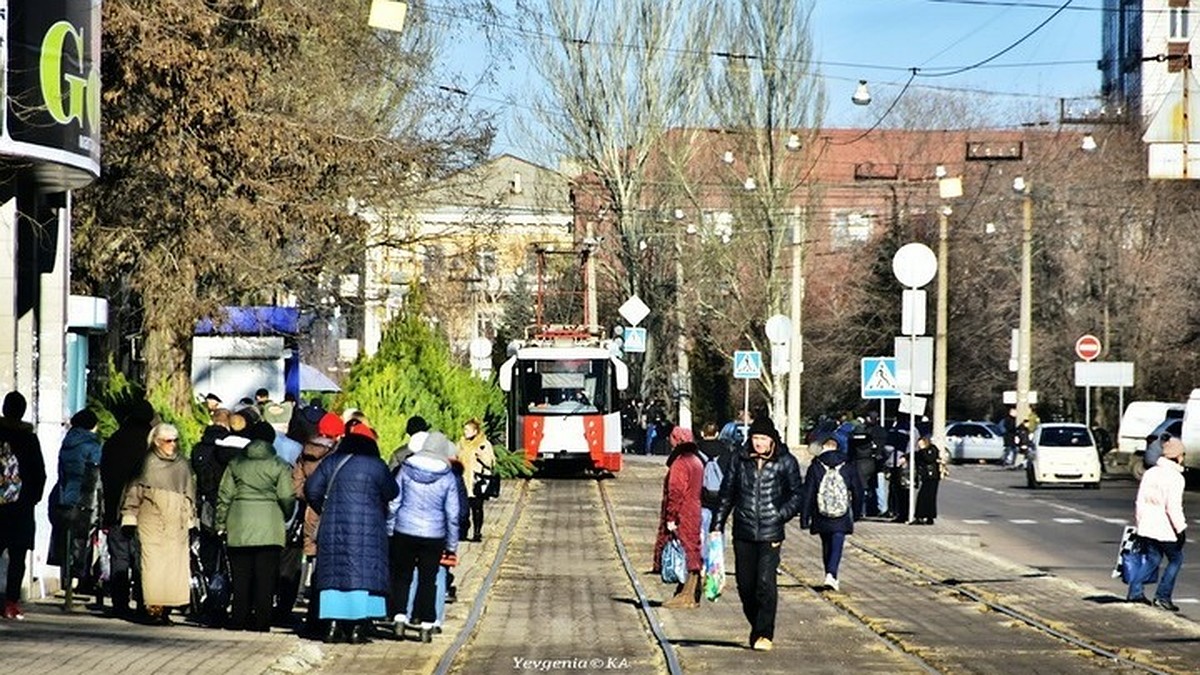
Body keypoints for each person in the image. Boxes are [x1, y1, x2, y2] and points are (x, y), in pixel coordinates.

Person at [710, 417, 803, 651]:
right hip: (743, 530)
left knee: (765, 583)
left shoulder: (785, 461)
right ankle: (756, 625)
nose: (759, 443)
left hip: (771, 532)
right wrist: (716, 524)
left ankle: (764, 633)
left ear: (772, 440)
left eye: (763, 439)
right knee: (745, 585)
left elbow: (797, 495)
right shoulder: (739, 460)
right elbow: (727, 494)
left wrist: (780, 514)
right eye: (755, 438)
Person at [305, 430, 397, 644]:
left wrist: (325, 509)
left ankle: (332, 626)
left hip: (333, 528)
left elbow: (312, 489)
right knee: (362, 575)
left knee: (334, 575)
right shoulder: (376, 466)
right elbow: (393, 491)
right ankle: (357, 628)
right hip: (370, 530)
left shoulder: (331, 462)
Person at [217, 421, 295, 632]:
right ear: (271, 440)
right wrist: (285, 515)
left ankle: (238, 617)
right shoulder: (279, 465)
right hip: (269, 526)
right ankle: (262, 621)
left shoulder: (236, 463)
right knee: (266, 578)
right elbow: (287, 496)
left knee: (241, 577)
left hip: (239, 523)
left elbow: (225, 495)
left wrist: (220, 523)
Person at [387, 432, 460, 640]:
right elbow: (452, 514)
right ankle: (427, 625)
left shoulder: (406, 469)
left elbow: (394, 502)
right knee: (429, 579)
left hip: (405, 529)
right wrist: (451, 544)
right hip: (434, 534)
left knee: (402, 576)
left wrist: (390, 527)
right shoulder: (447, 476)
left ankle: (400, 617)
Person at [120, 423, 196, 625]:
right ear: (156, 442)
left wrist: (189, 520)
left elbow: (188, 494)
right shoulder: (146, 463)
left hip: (176, 525)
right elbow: (134, 492)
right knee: (152, 566)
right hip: (152, 522)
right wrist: (129, 518)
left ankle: (166, 609)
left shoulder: (182, 465)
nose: (172, 445)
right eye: (168, 441)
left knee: (174, 568)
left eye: (175, 440)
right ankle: (152, 609)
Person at [98, 398, 156, 617]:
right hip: (144, 511)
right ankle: (143, 603)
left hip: (115, 508)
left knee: (119, 556)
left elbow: (104, 475)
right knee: (143, 557)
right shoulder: (151, 445)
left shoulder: (114, 441)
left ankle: (120, 604)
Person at [293, 412, 342, 637]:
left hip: (310, 515)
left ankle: (307, 608)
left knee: (310, 561)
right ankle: (323, 615)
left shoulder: (305, 453)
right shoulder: (337, 455)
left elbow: (296, 487)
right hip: (332, 514)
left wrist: (310, 498)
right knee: (329, 568)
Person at [49, 408, 102, 609]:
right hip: (83, 498)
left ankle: (67, 588)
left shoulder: (67, 442)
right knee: (81, 543)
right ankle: (73, 590)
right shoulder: (92, 444)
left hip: (63, 496)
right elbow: (94, 473)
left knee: (66, 542)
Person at [0, 392, 46, 620]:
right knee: (18, 558)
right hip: (21, 508)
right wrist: (32, 498)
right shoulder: (29, 439)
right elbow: (40, 473)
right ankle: (10, 603)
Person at [1126, 438, 1187, 611]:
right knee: (1176, 559)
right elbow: (1172, 507)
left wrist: (1140, 523)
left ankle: (1135, 592)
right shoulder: (1176, 478)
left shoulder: (1150, 473)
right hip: (1165, 528)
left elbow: (1140, 500)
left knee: (1153, 559)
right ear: (1177, 456)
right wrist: (1180, 529)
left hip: (1147, 525)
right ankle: (1163, 596)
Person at [801, 436, 863, 592]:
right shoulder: (848, 465)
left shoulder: (816, 465)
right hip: (841, 513)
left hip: (821, 512)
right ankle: (831, 573)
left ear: (823, 447)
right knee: (837, 542)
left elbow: (808, 493)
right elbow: (857, 490)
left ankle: (829, 573)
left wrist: (804, 516)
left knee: (826, 544)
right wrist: (856, 512)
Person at [652, 427, 704, 609]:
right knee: (693, 549)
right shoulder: (696, 460)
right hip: (694, 509)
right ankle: (689, 591)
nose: (669, 441)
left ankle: (687, 594)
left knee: (685, 550)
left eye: (672, 438)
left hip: (683, 512)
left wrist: (671, 517)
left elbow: (676, 491)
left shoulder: (680, 463)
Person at [457, 418, 495, 543]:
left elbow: (490, 462)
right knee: (463, 510)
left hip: (476, 482)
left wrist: (481, 454)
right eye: (464, 429)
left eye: (467, 430)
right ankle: (463, 532)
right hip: (463, 481)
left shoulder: (483, 444)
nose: (465, 432)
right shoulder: (461, 443)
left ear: (475, 431)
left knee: (477, 508)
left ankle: (477, 533)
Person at [913, 434, 942, 525]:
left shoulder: (932, 449)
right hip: (924, 476)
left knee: (929, 497)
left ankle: (929, 517)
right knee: (922, 496)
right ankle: (920, 516)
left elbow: (929, 459)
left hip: (932, 476)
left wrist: (923, 449)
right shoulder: (920, 452)